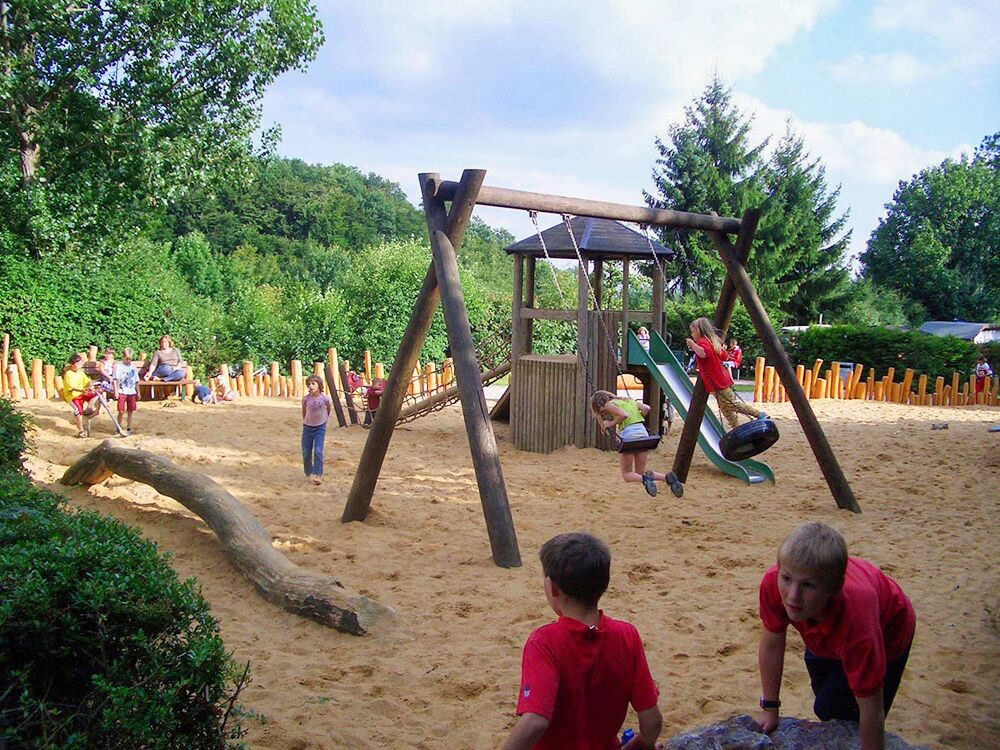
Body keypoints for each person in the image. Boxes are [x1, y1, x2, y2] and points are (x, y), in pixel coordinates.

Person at [755, 523, 915, 750]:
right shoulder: (773, 583)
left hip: (888, 630)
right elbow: (772, 643)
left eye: (808, 585)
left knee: (834, 710)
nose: (793, 596)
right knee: (827, 700)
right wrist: (770, 708)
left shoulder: (858, 624)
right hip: (822, 630)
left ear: (834, 587)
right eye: (787, 578)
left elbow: (870, 705)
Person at [500, 533, 663, 750]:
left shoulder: (544, 642)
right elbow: (652, 720)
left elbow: (535, 722)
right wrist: (644, 742)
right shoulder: (627, 636)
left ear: (552, 588)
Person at [590, 390, 683, 498]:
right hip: (643, 434)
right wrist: (637, 416)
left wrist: (611, 423)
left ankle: (647, 480)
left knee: (627, 475)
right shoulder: (629, 401)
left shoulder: (609, 405)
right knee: (639, 474)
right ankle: (667, 478)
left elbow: (623, 415)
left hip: (630, 437)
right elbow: (646, 408)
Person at [686, 318, 764, 431]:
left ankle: (759, 414)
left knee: (732, 404)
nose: (692, 334)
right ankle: (737, 428)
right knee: (725, 409)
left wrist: (692, 345)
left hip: (718, 382)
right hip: (721, 380)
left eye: (693, 332)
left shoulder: (702, 341)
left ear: (699, 331)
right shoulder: (712, 341)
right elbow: (724, 356)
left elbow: (703, 353)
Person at [301, 374, 332, 485]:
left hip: (320, 427)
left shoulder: (325, 398)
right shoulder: (305, 399)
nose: (311, 386)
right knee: (306, 451)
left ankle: (318, 474)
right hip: (308, 427)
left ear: (319, 385)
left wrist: (325, 419)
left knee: (318, 451)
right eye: (309, 384)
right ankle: (309, 472)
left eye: (313, 383)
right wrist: (305, 421)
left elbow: (328, 408)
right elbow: (304, 411)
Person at [63, 354, 98, 437]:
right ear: (72, 365)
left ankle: (89, 408)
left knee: (96, 395)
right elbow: (71, 387)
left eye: (80, 363)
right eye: (78, 364)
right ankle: (81, 430)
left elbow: (87, 381)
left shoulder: (80, 372)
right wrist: (82, 390)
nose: (80, 365)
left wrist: (90, 385)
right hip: (73, 396)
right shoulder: (68, 374)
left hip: (82, 393)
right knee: (78, 411)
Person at [113, 348, 139, 435]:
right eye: (127, 359)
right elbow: (115, 379)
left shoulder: (133, 367)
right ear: (123, 357)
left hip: (131, 391)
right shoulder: (118, 366)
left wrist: (138, 392)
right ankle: (118, 427)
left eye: (130, 359)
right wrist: (116, 391)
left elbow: (136, 380)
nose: (129, 361)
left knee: (130, 410)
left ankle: (129, 427)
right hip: (122, 391)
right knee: (121, 411)